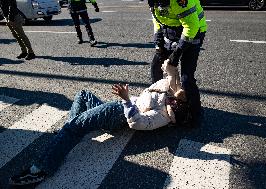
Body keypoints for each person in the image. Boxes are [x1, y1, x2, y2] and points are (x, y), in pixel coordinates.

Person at [9, 62, 189, 186]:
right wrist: (169, 67)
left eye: (175, 106)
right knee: (83, 95)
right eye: (175, 101)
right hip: (114, 109)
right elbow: (171, 76)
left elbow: (138, 123)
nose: (173, 103)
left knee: (73, 128)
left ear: (175, 114)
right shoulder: (169, 92)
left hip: (117, 113)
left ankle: (41, 169)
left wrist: (126, 100)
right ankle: (66, 133)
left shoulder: (163, 116)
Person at [148, 0, 207, 127]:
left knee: (187, 78)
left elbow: (191, 26)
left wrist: (176, 54)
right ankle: (158, 101)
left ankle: (195, 114)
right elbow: (157, 19)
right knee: (156, 66)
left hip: (194, 32)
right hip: (171, 32)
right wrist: (158, 42)